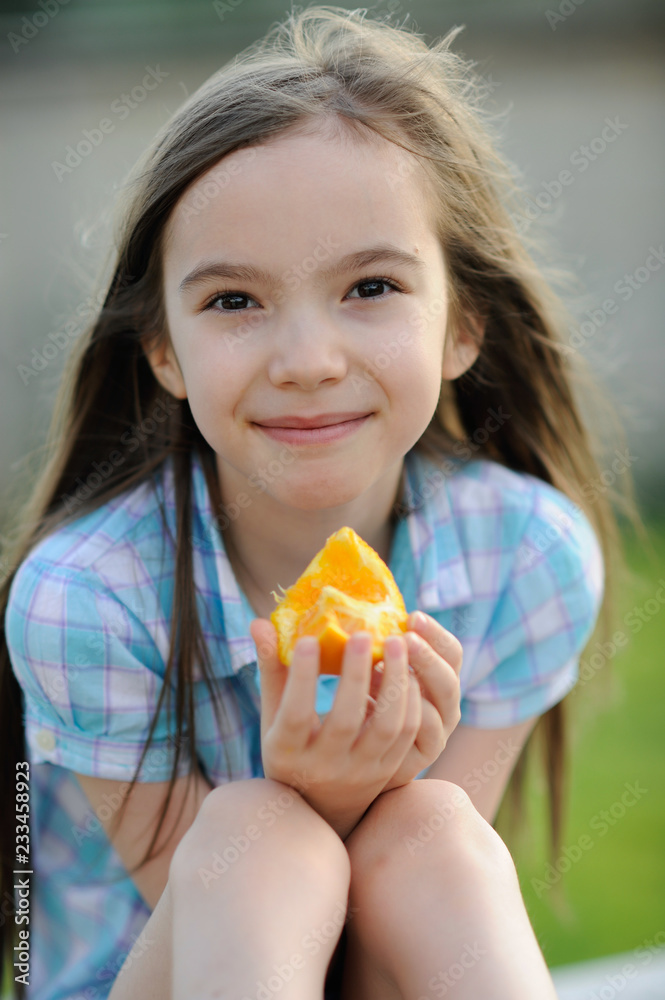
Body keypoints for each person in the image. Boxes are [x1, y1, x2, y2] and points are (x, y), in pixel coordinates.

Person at [0, 6, 641, 999]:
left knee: (428, 826)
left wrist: (355, 790)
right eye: (233, 302)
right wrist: (309, 785)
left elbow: (397, 897)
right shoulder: (86, 600)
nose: (307, 362)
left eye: (371, 286)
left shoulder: (522, 556)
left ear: (461, 324)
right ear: (162, 350)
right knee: (254, 832)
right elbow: (238, 923)